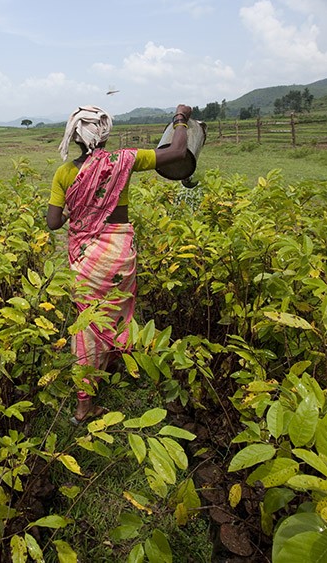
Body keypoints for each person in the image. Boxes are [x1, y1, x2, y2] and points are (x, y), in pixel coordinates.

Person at [46, 103, 194, 424]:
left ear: (74, 137)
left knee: (88, 323)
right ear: (105, 134)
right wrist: (180, 117)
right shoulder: (124, 160)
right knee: (115, 312)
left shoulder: (64, 173)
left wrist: (81, 214)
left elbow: (54, 222)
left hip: (85, 260)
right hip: (118, 256)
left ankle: (83, 405)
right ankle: (117, 366)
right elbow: (180, 152)